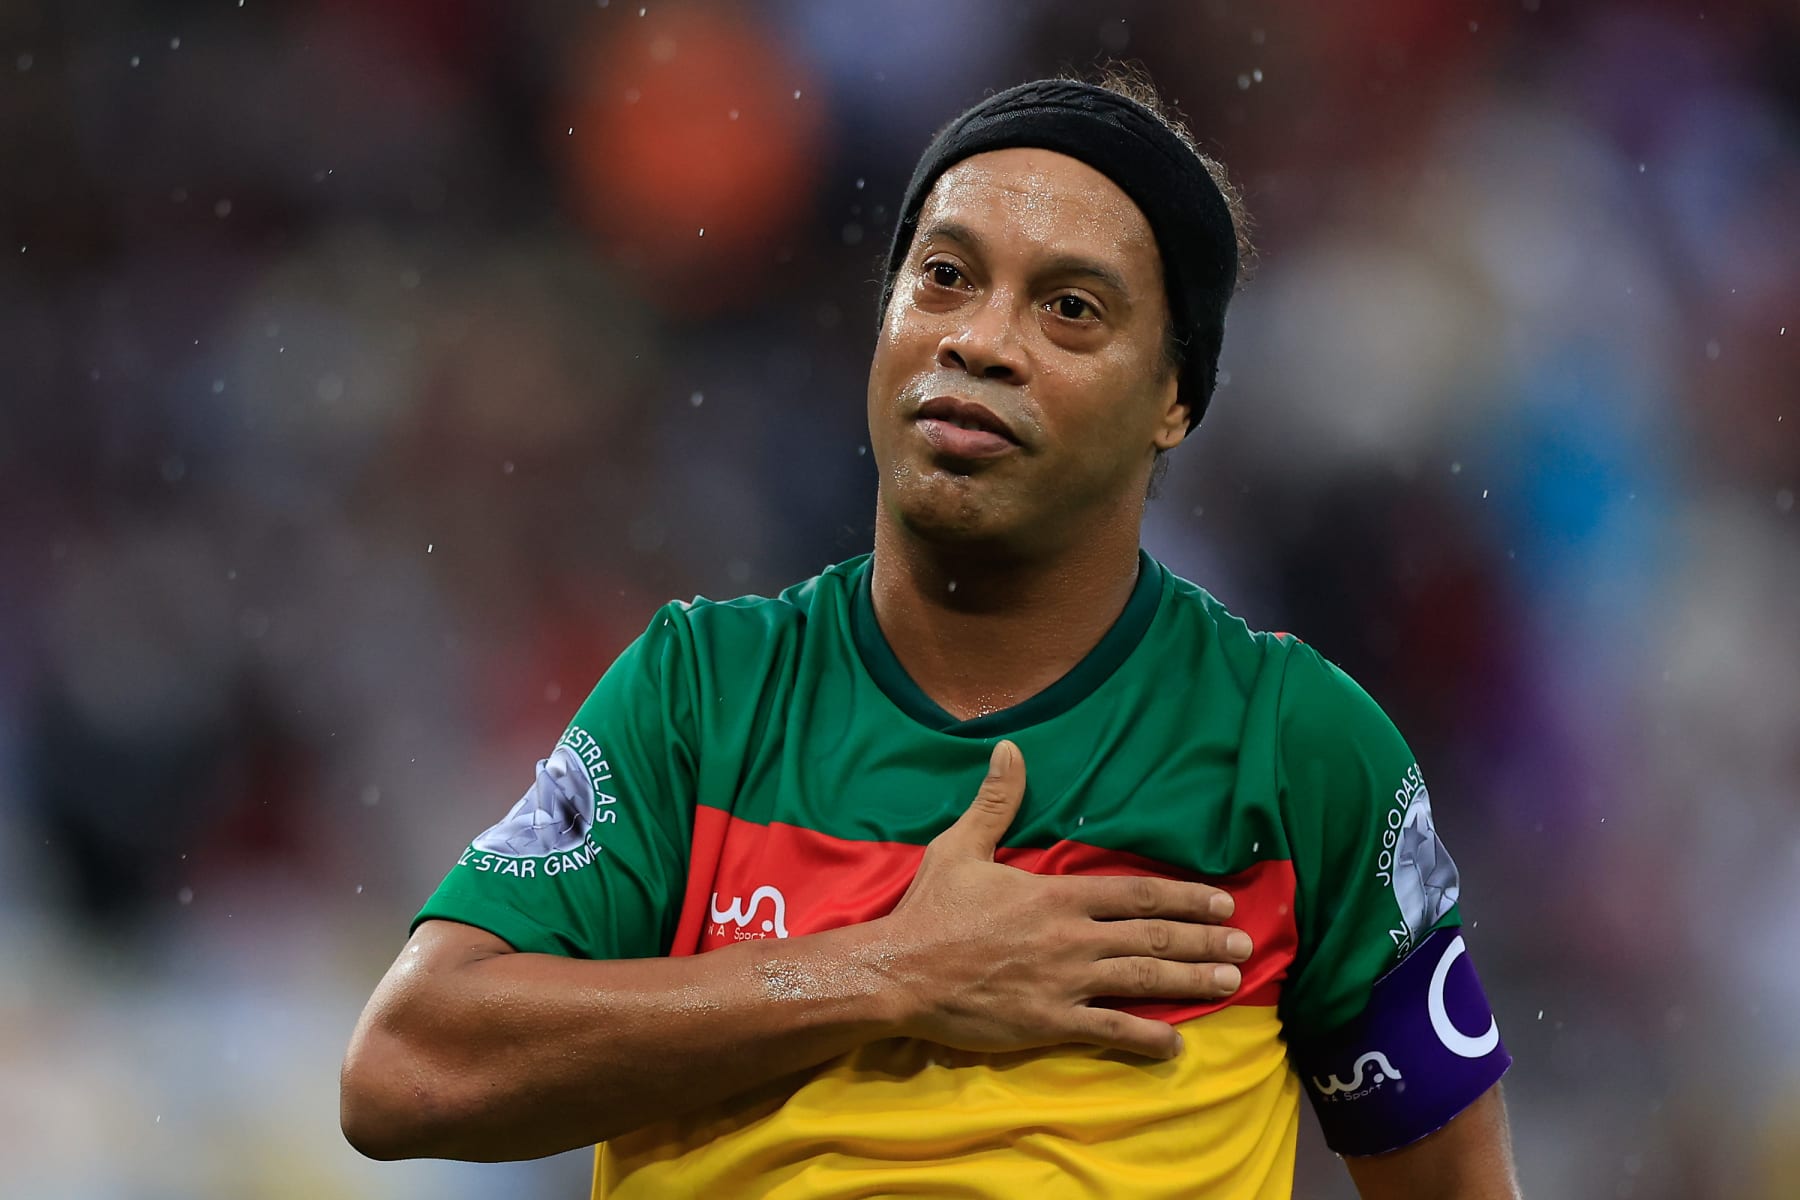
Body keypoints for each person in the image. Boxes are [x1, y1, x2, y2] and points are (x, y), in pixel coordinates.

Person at [341, 73, 1519, 1199]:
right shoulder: (702, 694)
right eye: (945, 277)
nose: (982, 340)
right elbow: (406, 1070)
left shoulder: (1294, 750)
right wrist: (891, 972)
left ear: (1176, 397)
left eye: (1069, 308)